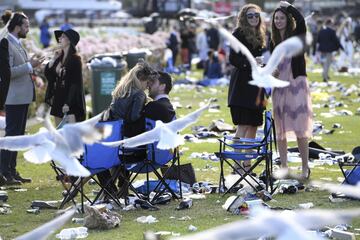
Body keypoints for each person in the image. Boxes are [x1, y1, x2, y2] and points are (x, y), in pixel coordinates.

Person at [97, 61, 159, 199]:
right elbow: (134, 117)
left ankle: (111, 190)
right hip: (124, 144)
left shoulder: (121, 90)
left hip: (109, 138)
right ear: (142, 80)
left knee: (100, 162)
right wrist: (147, 108)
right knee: (126, 148)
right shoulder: (139, 94)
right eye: (147, 82)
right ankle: (119, 189)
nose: (148, 86)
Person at [0, 10, 44, 185]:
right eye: (26, 26)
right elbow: (8, 72)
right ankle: (4, 173)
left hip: (22, 96)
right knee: (12, 136)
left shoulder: (17, 43)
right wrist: (29, 65)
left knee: (18, 136)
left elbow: (23, 67)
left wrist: (32, 64)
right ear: (17, 27)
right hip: (14, 97)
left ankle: (12, 171)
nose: (28, 29)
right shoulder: (6, 43)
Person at [270, 1, 313, 179]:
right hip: (279, 87)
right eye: (276, 19)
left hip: (296, 86)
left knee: (300, 128)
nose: (278, 21)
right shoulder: (272, 41)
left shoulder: (296, 35)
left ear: (288, 20)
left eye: (281, 18)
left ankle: (305, 167)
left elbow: (301, 20)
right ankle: (285, 167)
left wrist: (287, 7)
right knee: (280, 129)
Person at [227, 4, 267, 173]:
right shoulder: (238, 34)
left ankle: (247, 164)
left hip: (256, 84)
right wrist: (250, 63)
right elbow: (233, 59)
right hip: (242, 84)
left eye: (256, 15)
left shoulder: (260, 34)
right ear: (244, 17)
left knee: (254, 125)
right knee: (242, 125)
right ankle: (236, 164)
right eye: (250, 16)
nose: (254, 18)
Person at [44, 29, 86, 126]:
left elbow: (76, 83)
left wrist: (68, 103)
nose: (59, 39)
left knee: (71, 134)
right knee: (59, 133)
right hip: (58, 99)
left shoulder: (75, 60)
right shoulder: (59, 58)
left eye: (63, 37)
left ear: (69, 41)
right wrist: (53, 59)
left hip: (71, 101)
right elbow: (49, 75)